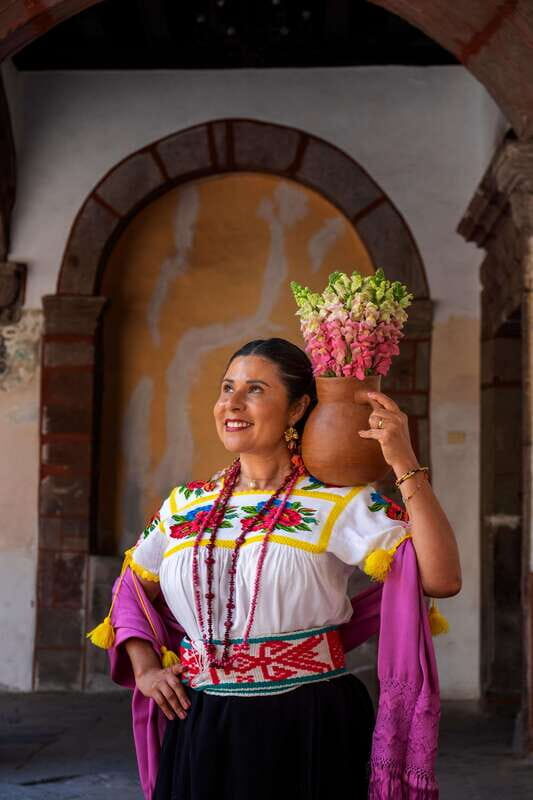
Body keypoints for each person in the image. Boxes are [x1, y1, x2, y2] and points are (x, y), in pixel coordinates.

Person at [91, 337, 461, 800]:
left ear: (297, 408)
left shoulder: (336, 501)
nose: (232, 403)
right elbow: (131, 588)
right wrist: (145, 669)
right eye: (227, 387)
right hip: (200, 719)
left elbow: (442, 579)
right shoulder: (185, 504)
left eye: (255, 390)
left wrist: (404, 461)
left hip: (308, 719)